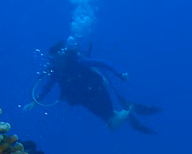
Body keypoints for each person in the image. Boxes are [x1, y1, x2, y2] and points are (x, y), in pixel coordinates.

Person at [29, 40, 160, 133]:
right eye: (52, 59)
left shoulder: (77, 63)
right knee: (111, 122)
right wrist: (35, 101)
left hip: (97, 91)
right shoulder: (57, 71)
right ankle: (127, 111)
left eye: (55, 58)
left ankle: (131, 108)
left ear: (62, 55)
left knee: (112, 124)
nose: (53, 62)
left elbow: (102, 63)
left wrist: (119, 74)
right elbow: (47, 86)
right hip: (84, 99)